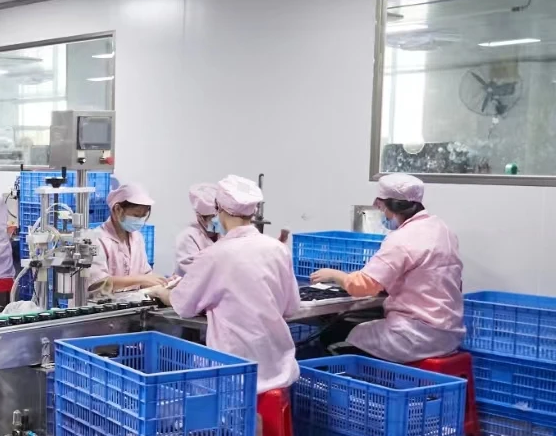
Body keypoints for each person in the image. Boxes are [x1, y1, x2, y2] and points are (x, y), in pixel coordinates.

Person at [152, 175, 301, 405]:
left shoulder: (215, 255)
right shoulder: (277, 249)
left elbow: (184, 306)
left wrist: (162, 293)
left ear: (219, 209)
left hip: (235, 373)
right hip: (279, 368)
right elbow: (291, 307)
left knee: (197, 381)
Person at [309, 173, 464, 362]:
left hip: (415, 335)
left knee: (332, 336)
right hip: (449, 333)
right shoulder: (442, 229)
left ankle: (355, 381)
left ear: (391, 206)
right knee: (361, 321)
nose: (382, 214)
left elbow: (362, 286)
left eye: (381, 207)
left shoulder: (402, 238)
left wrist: (334, 275)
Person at [88, 182, 166, 294]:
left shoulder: (137, 238)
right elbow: (97, 284)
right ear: (117, 209)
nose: (140, 220)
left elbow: (145, 276)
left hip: (129, 301)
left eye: (143, 216)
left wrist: (163, 282)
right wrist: (139, 279)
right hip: (101, 303)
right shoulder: (96, 240)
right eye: (136, 215)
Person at [174, 183, 219, 275]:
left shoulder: (225, 234)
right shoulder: (188, 237)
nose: (219, 221)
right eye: (213, 217)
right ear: (200, 217)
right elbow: (197, 273)